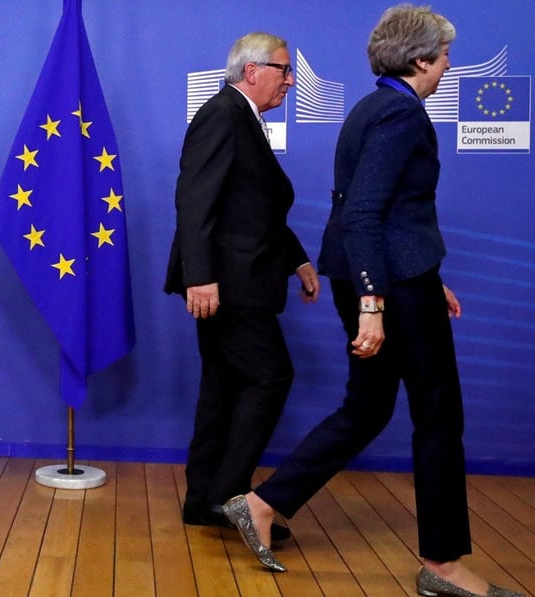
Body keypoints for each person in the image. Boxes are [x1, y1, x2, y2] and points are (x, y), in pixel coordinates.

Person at [222, 6, 524, 596]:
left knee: (368, 408)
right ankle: (443, 567)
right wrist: (374, 302)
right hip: (387, 288)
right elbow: (362, 211)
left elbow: (388, 213)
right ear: (420, 60)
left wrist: (423, 274)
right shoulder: (400, 114)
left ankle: (262, 503)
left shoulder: (372, 107)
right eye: (444, 58)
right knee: (438, 416)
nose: (447, 68)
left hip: (391, 278)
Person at [165, 32, 320, 541]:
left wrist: (297, 260)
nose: (291, 80)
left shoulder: (242, 118)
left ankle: (205, 500)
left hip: (237, 279)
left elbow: (254, 206)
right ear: (252, 71)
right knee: (269, 376)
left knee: (223, 387)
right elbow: (194, 198)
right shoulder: (223, 114)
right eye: (283, 69)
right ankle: (232, 498)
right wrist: (200, 276)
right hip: (226, 285)